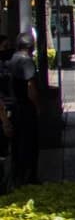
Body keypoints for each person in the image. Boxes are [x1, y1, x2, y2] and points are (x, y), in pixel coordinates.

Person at [7, 31, 40, 185]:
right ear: (31, 47)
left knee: (18, 145)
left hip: (14, 108)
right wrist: (37, 107)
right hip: (26, 109)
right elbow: (31, 88)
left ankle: (18, 175)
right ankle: (29, 177)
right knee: (30, 144)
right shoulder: (26, 61)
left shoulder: (12, 59)